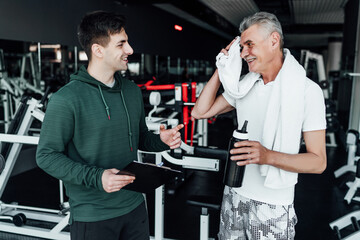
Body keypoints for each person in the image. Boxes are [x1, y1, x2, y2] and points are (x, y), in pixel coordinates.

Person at [36, 11, 183, 240]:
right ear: (98, 50)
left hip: (135, 206)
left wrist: (160, 141)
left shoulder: (132, 92)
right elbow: (46, 155)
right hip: (93, 215)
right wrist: (98, 177)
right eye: (122, 44)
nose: (130, 50)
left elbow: (140, 137)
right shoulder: (66, 99)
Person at [191, 12, 326, 240]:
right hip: (233, 196)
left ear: (274, 41)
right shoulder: (245, 86)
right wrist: (221, 67)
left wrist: (267, 156)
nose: (244, 54)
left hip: (272, 206)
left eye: (249, 45)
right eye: (242, 47)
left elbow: (318, 162)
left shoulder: (307, 91)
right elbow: (200, 111)